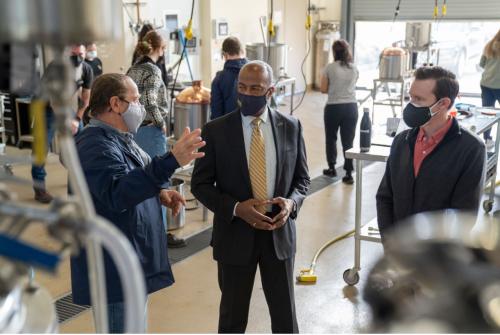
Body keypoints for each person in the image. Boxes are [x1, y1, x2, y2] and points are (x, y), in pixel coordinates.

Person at [70, 73, 205, 333]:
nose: (141, 107)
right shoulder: (94, 145)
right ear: (115, 104)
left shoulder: (121, 138)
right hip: (113, 270)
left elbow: (133, 177)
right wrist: (171, 160)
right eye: (135, 100)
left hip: (130, 261)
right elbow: (117, 193)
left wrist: (159, 193)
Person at [191, 60, 310, 333]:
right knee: (232, 318)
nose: (247, 94)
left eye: (255, 88)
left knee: (285, 318)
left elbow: (303, 180)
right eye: (242, 87)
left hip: (278, 235)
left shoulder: (291, 126)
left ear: (270, 91)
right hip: (234, 237)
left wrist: (291, 203)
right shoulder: (217, 131)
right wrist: (235, 208)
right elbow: (200, 184)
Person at [376, 66, 485, 238]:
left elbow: (464, 217)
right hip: (399, 251)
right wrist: (392, 246)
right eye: (411, 97)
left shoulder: (471, 149)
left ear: (443, 104)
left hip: (437, 257)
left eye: (419, 99)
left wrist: (430, 257)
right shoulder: (401, 142)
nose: (411, 105)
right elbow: (384, 198)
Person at [127, 30, 186, 247]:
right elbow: (150, 100)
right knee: (160, 181)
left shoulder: (133, 68)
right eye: (163, 50)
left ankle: (147, 231)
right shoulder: (152, 70)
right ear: (159, 49)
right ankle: (160, 234)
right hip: (151, 131)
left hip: (135, 131)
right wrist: (161, 123)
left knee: (142, 180)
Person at [32, 44, 93, 203]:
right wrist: (66, 122)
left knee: (81, 137)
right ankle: (39, 189)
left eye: (80, 53)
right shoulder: (56, 67)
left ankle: (73, 172)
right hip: (45, 106)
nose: (77, 57)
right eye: (73, 53)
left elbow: (85, 101)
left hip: (63, 105)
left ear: (85, 53)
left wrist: (77, 120)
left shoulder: (86, 70)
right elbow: (54, 102)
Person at [320, 39, 359, 184]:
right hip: (351, 107)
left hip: (334, 107)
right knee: (348, 141)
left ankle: (332, 168)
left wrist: (334, 88)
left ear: (334, 52)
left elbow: (323, 89)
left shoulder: (330, 67)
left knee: (331, 138)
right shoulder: (354, 68)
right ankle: (348, 173)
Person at [210, 36, 248, 119]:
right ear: (241, 51)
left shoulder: (219, 80)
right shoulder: (256, 72)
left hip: (230, 129)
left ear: (225, 55)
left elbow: (216, 116)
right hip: (256, 128)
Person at [479, 29, 500, 147]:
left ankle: (487, 139)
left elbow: (482, 64)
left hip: (486, 84)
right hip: (498, 85)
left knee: (487, 112)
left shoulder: (489, 45)